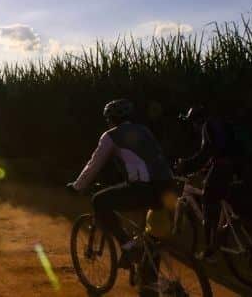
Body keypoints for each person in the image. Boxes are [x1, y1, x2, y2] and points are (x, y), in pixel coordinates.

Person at [66, 99, 173, 268]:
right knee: (152, 240)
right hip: (167, 188)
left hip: (144, 189)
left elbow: (94, 165)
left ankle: (127, 246)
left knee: (99, 201)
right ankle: (150, 281)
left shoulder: (110, 136)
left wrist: (77, 186)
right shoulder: (144, 130)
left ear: (110, 119)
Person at [175, 106, 241, 260]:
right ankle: (224, 230)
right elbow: (215, 154)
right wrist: (202, 168)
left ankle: (210, 246)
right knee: (216, 195)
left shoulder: (207, 126)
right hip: (236, 166)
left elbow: (205, 153)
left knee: (207, 196)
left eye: (192, 123)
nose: (193, 127)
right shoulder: (220, 125)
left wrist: (186, 164)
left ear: (197, 121)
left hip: (223, 166)